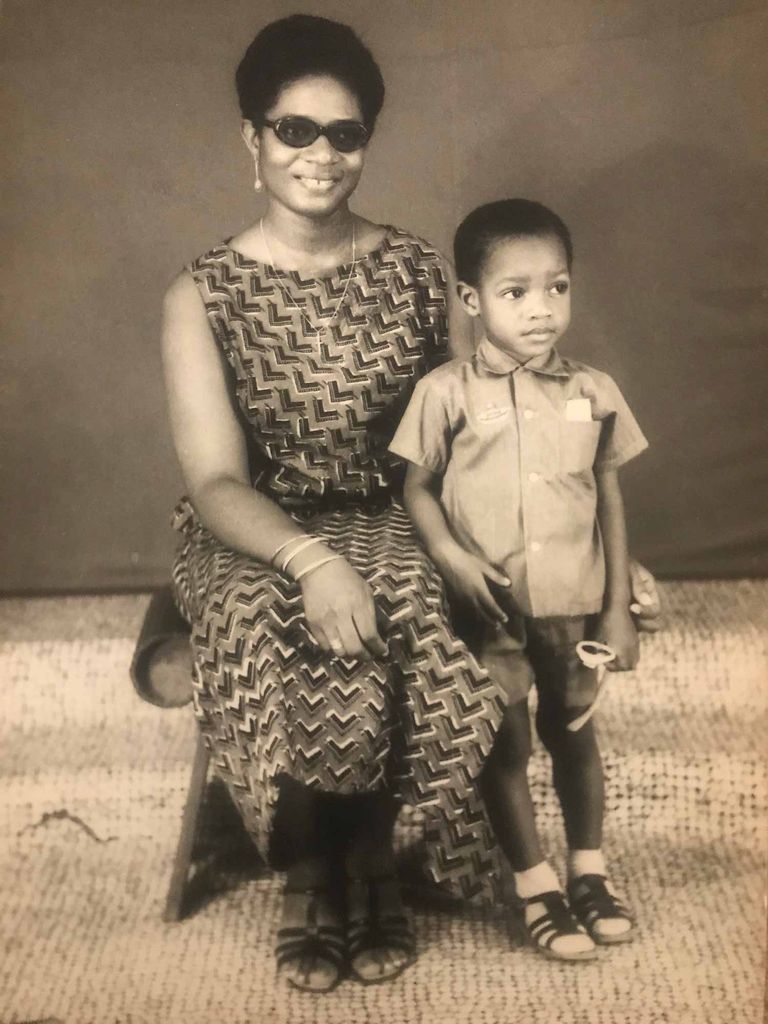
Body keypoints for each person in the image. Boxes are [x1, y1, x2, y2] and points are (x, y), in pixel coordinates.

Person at [162, 14, 661, 994]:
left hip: (402, 504)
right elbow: (215, 480)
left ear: (365, 144)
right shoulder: (202, 293)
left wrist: (594, 552)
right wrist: (309, 558)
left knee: (436, 607)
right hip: (261, 524)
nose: (319, 154)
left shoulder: (413, 269)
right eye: (293, 129)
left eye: (343, 133)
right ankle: (312, 861)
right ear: (251, 140)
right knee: (282, 616)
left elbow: (478, 431)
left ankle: (377, 852)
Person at [390, 199, 649, 963]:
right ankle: (536, 885)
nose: (542, 309)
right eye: (516, 292)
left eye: (557, 287)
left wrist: (618, 607)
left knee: (575, 734)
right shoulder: (445, 393)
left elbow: (608, 496)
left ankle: (589, 874)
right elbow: (415, 490)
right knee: (502, 744)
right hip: (488, 607)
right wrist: (451, 557)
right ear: (471, 299)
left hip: (573, 603)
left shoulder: (593, 390)